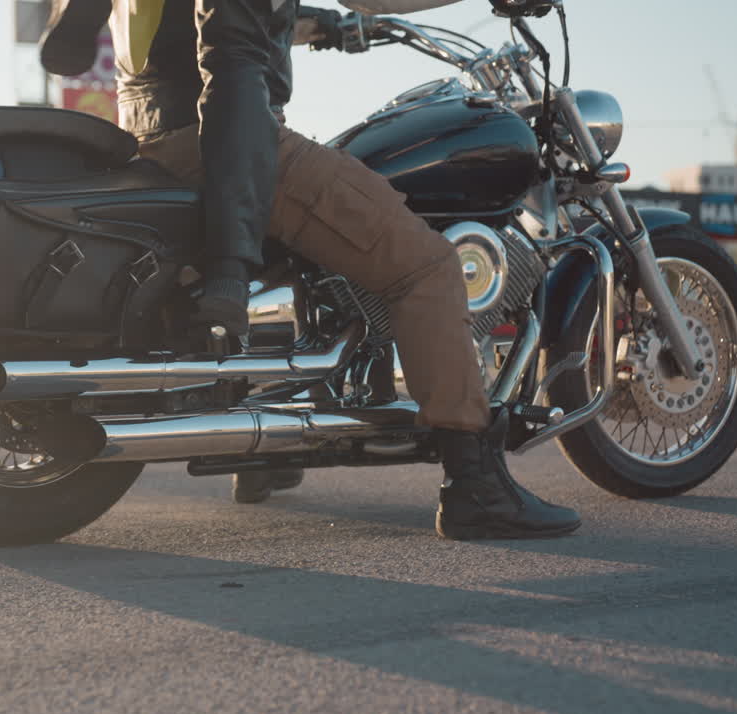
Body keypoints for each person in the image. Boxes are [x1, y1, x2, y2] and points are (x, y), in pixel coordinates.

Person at [41, 0, 580, 540]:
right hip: (225, 135)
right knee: (428, 267)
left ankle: (267, 455)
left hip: (151, 133)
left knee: (303, 265)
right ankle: (476, 485)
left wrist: (319, 24)